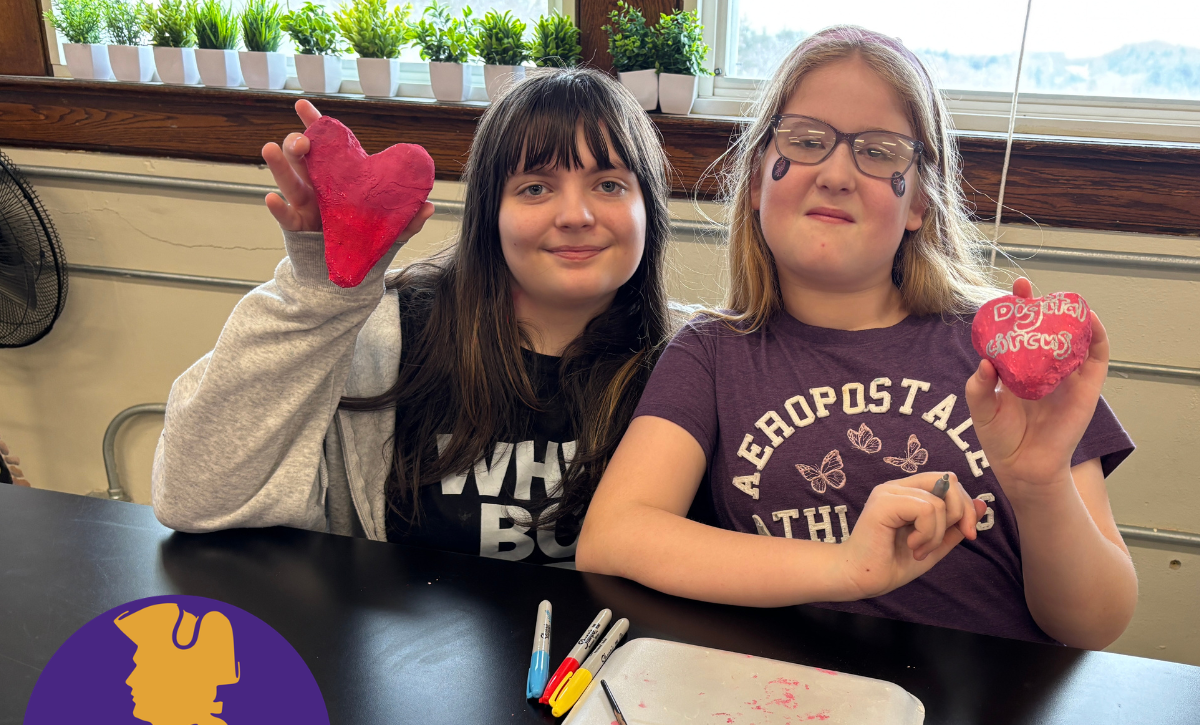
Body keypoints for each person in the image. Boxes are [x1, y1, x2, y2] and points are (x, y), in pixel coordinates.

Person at [577, 27, 1138, 648]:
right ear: (759, 178)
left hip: (983, 719)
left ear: (921, 199)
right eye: (806, 141)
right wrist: (847, 566)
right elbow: (613, 537)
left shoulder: (1003, 354)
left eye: (879, 152)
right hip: (776, 707)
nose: (837, 173)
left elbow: (1095, 625)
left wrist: (1041, 485)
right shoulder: (712, 353)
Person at [152, 68, 674, 565]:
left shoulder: (695, 358)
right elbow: (196, 500)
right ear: (490, 213)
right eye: (535, 187)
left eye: (609, 185)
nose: (576, 216)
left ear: (648, 206)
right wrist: (320, 289)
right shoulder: (384, 335)